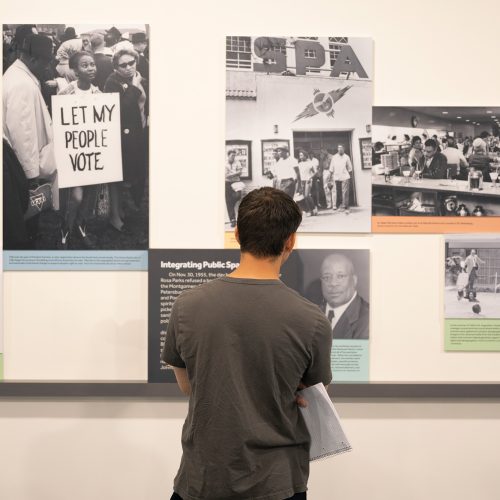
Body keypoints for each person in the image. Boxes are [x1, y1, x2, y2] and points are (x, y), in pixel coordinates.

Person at [162, 187, 332, 500]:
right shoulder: (312, 320)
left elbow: (188, 386)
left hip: (204, 479)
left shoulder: (186, 306)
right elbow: (311, 396)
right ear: (290, 241)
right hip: (278, 481)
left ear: (237, 234)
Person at [3, 34, 56, 248]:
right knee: (26, 207)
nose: (47, 68)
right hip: (18, 161)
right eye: (45, 63)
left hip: (14, 158)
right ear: (34, 60)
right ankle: (26, 240)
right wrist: (31, 174)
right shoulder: (21, 84)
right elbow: (22, 132)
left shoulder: (15, 75)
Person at [56, 52, 101, 249]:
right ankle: (65, 230)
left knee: (89, 196)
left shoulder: (100, 96)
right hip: (74, 156)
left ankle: (81, 227)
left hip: (92, 156)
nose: (91, 68)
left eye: (92, 64)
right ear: (75, 70)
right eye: (85, 65)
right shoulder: (65, 94)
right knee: (75, 197)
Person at [104, 48, 148, 232]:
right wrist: (133, 87)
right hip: (121, 136)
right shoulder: (112, 82)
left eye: (132, 63)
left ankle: (125, 208)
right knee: (117, 177)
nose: (129, 67)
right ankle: (114, 214)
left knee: (135, 174)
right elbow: (120, 109)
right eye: (123, 65)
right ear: (115, 67)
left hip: (140, 133)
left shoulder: (142, 80)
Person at [320, 253, 369, 339]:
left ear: (354, 280)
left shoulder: (369, 318)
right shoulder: (311, 315)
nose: (333, 283)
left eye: (340, 276)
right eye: (327, 277)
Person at [329, 144, 353, 214]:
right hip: (336, 177)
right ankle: (342, 205)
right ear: (337, 149)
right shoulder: (334, 157)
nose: (340, 150)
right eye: (339, 149)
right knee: (339, 192)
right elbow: (331, 168)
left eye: (341, 149)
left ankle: (345, 206)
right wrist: (330, 178)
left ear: (344, 149)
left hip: (345, 177)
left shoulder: (346, 157)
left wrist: (350, 178)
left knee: (345, 192)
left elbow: (350, 168)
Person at [225, 149, 243, 227]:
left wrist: (231, 173)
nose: (234, 157)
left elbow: (240, 173)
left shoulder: (237, 162)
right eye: (232, 155)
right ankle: (232, 220)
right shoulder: (224, 163)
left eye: (234, 155)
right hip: (227, 183)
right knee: (228, 201)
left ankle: (230, 205)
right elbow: (225, 175)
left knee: (238, 196)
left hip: (236, 182)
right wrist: (235, 173)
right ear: (228, 155)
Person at [297, 149, 317, 216]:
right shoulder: (299, 164)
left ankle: (313, 209)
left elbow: (315, 172)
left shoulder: (309, 163)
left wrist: (310, 177)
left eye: (302, 155)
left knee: (306, 195)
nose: (300, 156)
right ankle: (310, 210)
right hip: (302, 181)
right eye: (300, 155)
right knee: (304, 196)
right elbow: (298, 174)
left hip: (308, 180)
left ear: (305, 156)